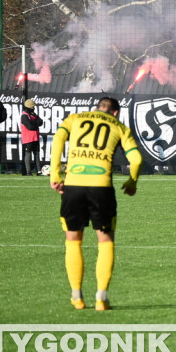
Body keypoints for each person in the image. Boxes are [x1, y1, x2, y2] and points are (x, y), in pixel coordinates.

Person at [49, 96, 142, 311]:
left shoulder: (74, 119)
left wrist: (55, 173)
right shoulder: (119, 126)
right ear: (115, 112)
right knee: (105, 241)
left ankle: (77, 297)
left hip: (73, 185)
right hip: (101, 188)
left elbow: (58, 139)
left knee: (73, 240)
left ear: (97, 108)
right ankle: (101, 298)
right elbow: (136, 159)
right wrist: (132, 182)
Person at [20, 99, 45, 176]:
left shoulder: (33, 114)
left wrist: (35, 122)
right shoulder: (24, 115)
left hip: (35, 138)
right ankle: (28, 172)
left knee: (37, 154)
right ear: (28, 107)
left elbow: (41, 121)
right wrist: (36, 122)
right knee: (28, 154)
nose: (33, 108)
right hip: (28, 139)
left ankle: (38, 171)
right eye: (32, 107)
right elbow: (30, 126)